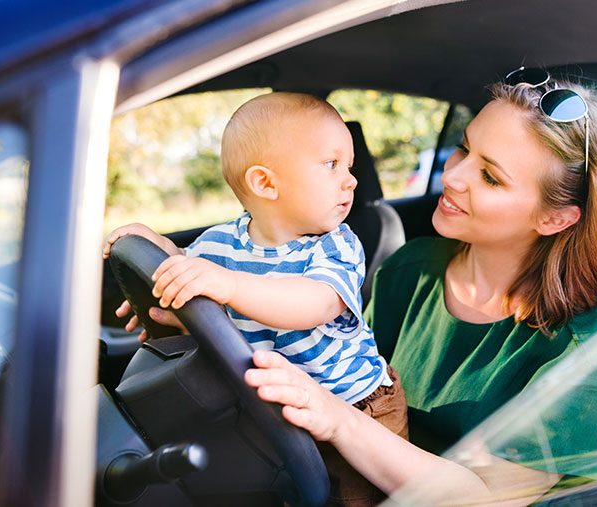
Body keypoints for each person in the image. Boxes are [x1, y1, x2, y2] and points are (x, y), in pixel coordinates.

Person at [241, 72, 597, 505]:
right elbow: (345, 378)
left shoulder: (593, 344)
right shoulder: (411, 269)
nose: (453, 175)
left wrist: (338, 421)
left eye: (490, 177)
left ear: (554, 219)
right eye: (465, 148)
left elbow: (483, 500)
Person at [103, 92, 408, 505]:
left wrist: (228, 286)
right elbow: (186, 269)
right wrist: (154, 250)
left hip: (358, 407)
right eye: (332, 164)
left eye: (349, 166)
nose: (350, 179)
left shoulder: (335, 246)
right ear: (265, 182)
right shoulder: (221, 244)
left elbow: (312, 304)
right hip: (280, 411)